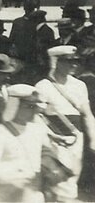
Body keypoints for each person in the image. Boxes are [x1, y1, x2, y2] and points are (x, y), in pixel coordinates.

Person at [35, 45, 95, 201]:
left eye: (76, 61)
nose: (74, 65)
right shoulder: (43, 86)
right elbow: (36, 116)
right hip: (53, 139)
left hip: (75, 138)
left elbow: (87, 114)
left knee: (72, 178)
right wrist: (50, 135)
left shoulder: (79, 85)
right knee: (52, 179)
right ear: (56, 62)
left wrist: (93, 139)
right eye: (69, 62)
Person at [0, 84, 49, 203]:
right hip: (3, 194)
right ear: (14, 105)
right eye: (29, 106)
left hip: (31, 195)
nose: (34, 111)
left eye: (35, 106)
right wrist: (17, 174)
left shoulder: (39, 131)